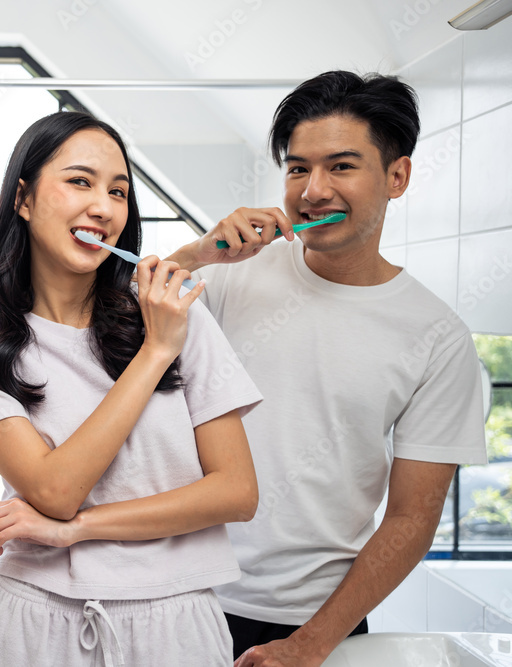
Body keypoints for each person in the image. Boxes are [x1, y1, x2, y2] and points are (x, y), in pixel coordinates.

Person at [164, 71, 488, 666]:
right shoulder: (229, 274)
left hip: (314, 625)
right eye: (296, 168)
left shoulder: (438, 338)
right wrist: (194, 254)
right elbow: (107, 340)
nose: (313, 190)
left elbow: (412, 518)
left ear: (398, 177)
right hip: (175, 596)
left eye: (341, 166)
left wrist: (309, 645)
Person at [0, 111, 263, 666]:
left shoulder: (177, 314)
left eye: (119, 191)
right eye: (80, 181)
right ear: (23, 199)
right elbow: (54, 491)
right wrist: (155, 352)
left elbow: (236, 493)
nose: (105, 207)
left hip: (177, 622)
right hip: (29, 621)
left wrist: (77, 531)